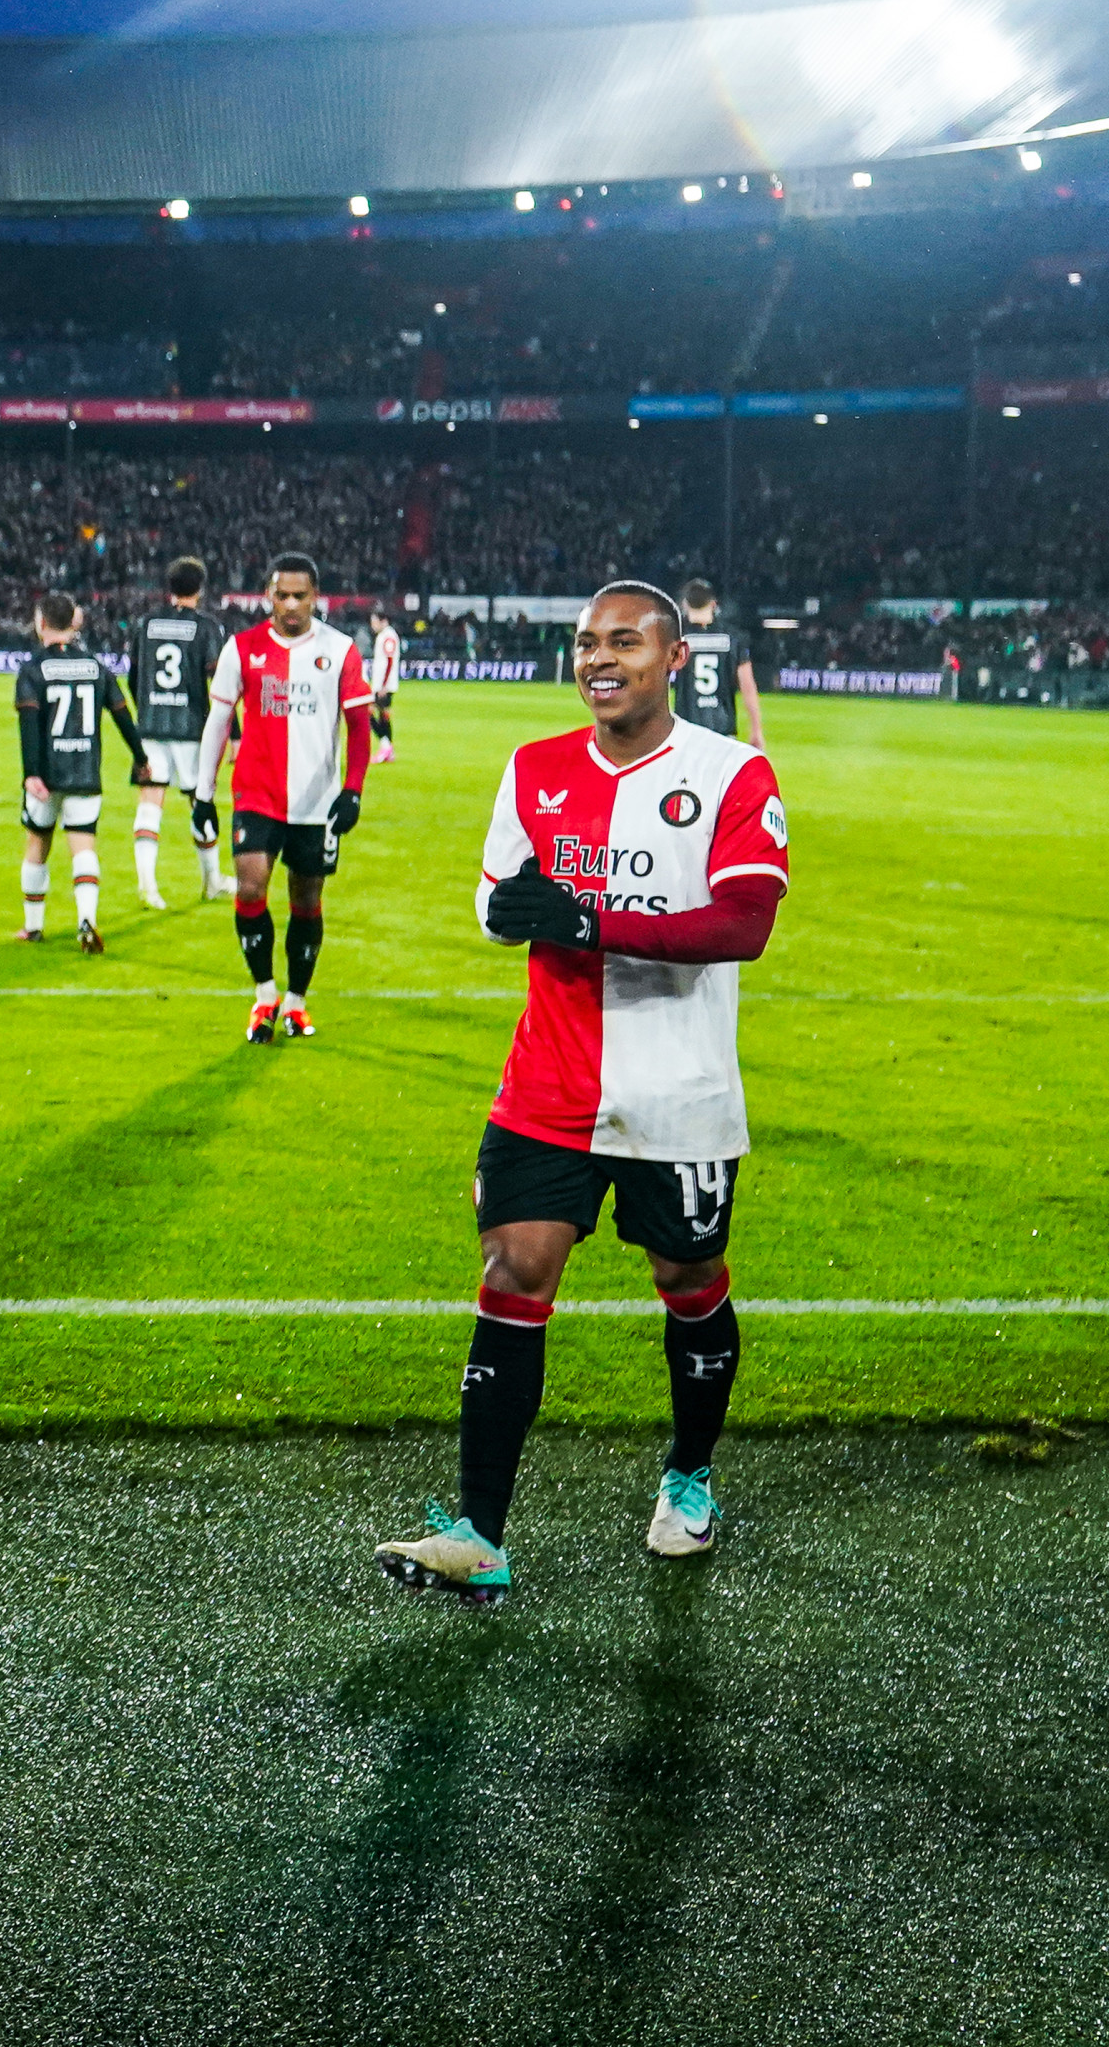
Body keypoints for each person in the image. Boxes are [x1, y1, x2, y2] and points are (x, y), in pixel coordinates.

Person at [376, 580, 790, 1601]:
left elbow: (741, 924)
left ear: (674, 657)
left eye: (622, 642)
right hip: (548, 1082)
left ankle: (688, 1479)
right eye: (584, 644)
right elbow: (497, 903)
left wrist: (587, 919)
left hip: (679, 1094)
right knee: (515, 1271)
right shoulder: (533, 768)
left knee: (689, 1278)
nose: (598, 659)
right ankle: (479, 1534)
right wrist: (517, 909)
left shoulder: (731, 772)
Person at [205, 553, 371, 1044]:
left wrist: (354, 790)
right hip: (256, 794)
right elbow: (218, 722)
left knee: (307, 899)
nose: (292, 604)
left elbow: (359, 727)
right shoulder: (243, 648)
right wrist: (201, 793)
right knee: (251, 887)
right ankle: (264, 996)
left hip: (316, 802)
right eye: (283, 595)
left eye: (301, 595)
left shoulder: (339, 650)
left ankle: (296, 1003)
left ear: (316, 597)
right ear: (268, 596)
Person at [12, 590, 141, 953]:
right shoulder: (97, 667)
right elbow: (122, 715)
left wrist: (31, 773)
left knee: (38, 842)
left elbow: (29, 725)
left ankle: (33, 927)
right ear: (75, 621)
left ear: (40, 623)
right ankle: (87, 919)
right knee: (83, 844)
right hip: (85, 772)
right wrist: (141, 756)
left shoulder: (33, 669)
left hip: (47, 775)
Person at [129, 557, 226, 909]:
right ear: (200, 589)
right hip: (190, 728)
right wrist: (234, 733)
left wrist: (149, 711)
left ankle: (147, 885)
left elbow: (133, 676)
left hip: (151, 725)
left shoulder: (146, 624)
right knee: (200, 803)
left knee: (150, 803)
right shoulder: (206, 627)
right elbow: (219, 684)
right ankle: (212, 880)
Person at [672, 576, 769, 748]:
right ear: (713, 604)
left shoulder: (676, 639)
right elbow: (747, 685)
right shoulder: (733, 638)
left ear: (685, 605)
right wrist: (756, 729)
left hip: (687, 734)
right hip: (723, 733)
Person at [366, 606, 406, 765]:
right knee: (383, 716)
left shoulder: (388, 636)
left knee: (370, 714)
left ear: (383, 621)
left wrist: (383, 685)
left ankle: (385, 747)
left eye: (374, 621)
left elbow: (389, 661)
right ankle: (388, 750)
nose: (372, 625)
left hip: (384, 686)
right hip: (382, 685)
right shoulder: (385, 636)